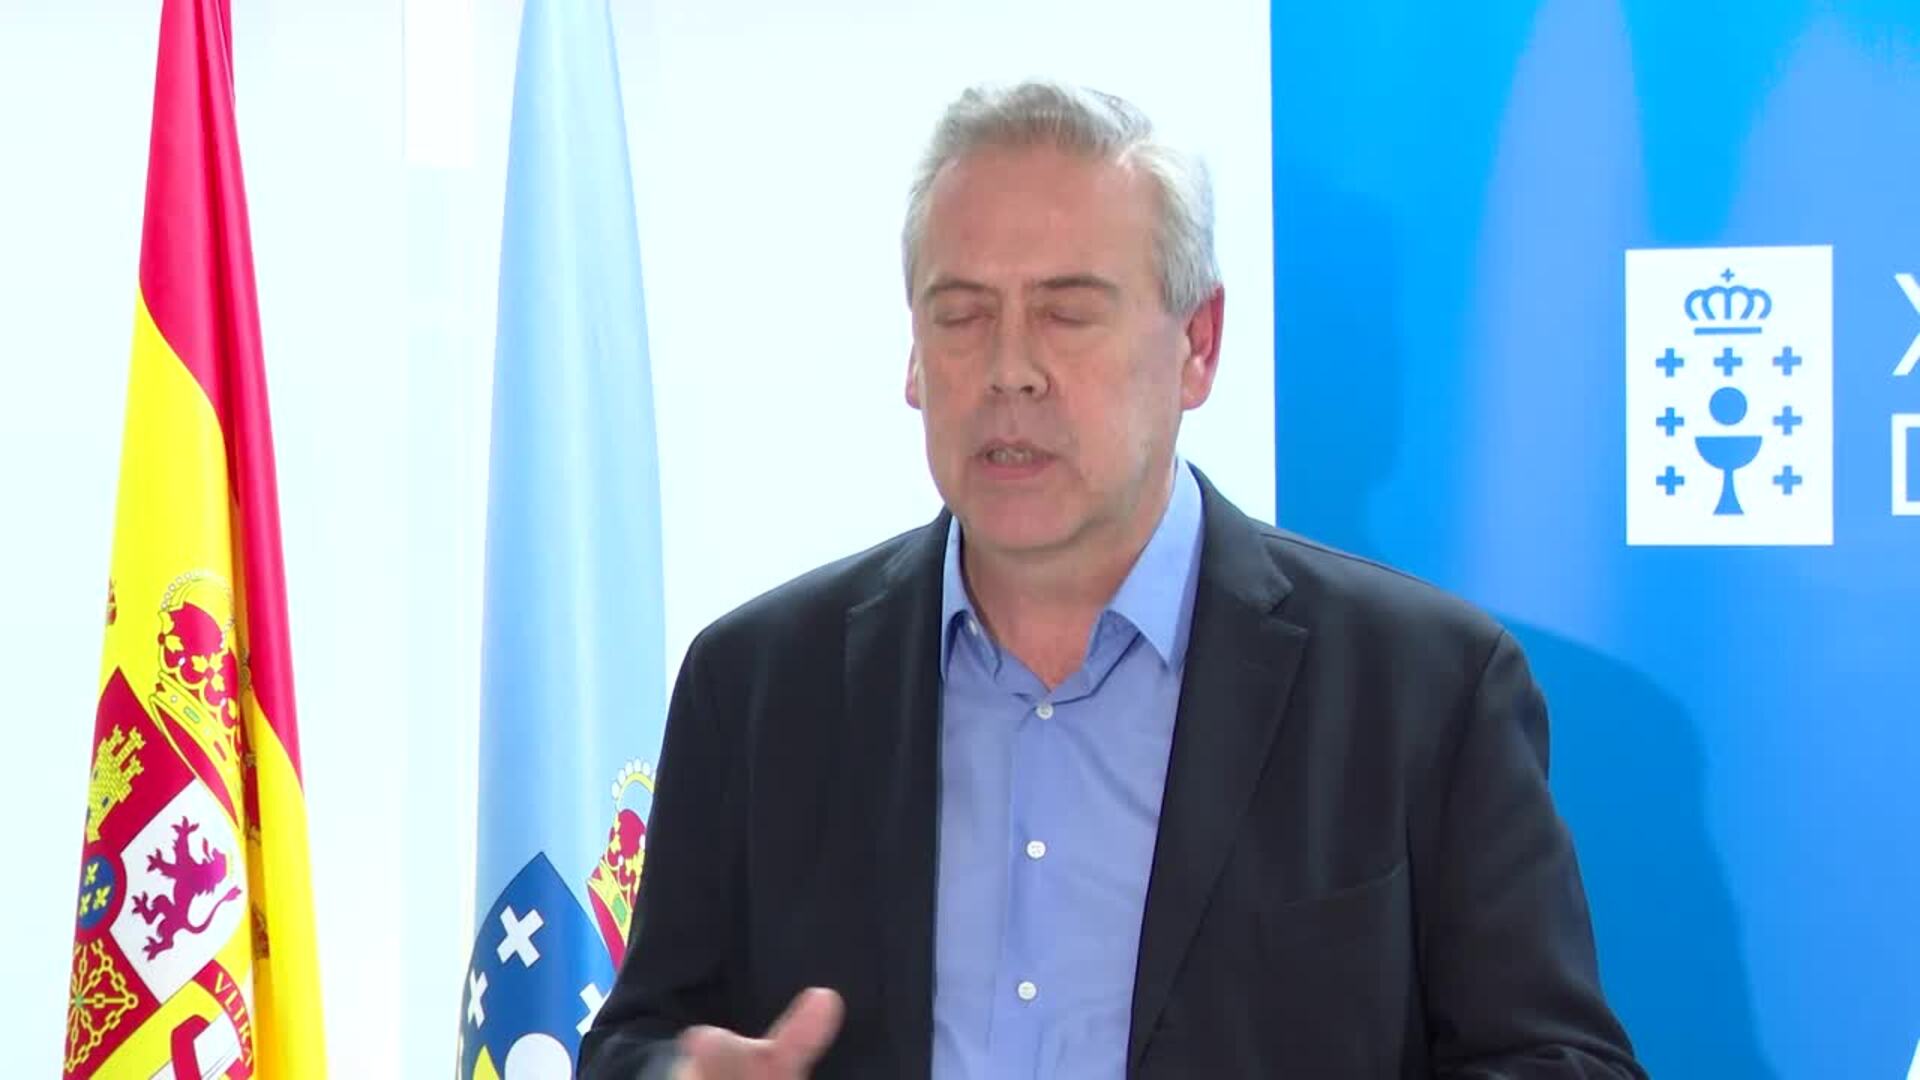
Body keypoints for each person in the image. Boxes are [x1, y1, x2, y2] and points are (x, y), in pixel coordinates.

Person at [579, 81, 1643, 1079]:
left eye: (1067, 312)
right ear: (913, 356)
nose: (1010, 370)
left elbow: (1559, 1062)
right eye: (962, 314)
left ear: (1199, 345)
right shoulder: (758, 683)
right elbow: (640, 1037)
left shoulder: (1424, 688)